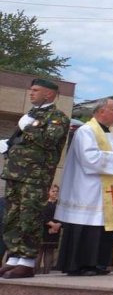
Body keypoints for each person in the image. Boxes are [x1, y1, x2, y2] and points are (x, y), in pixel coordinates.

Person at [0, 77, 70, 279]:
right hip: (15, 174)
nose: (31, 93)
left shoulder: (57, 117)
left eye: (35, 90)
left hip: (35, 177)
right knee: (12, 216)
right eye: (31, 90)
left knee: (29, 217)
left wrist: (28, 127)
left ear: (48, 94)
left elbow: (48, 140)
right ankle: (14, 258)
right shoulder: (31, 115)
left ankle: (28, 261)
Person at [54, 98, 113, 277]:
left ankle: (98, 264)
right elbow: (89, 158)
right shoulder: (86, 131)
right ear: (101, 111)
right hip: (88, 191)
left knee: (102, 228)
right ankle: (80, 265)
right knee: (87, 228)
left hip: (107, 193)